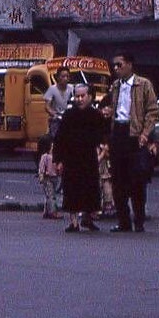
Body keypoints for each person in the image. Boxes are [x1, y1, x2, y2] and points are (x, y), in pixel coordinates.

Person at [106, 52, 158, 233]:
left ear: (129, 65)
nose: (116, 69)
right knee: (118, 180)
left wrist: (145, 134)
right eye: (114, 65)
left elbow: (152, 111)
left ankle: (139, 220)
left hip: (134, 134)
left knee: (137, 180)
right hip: (118, 133)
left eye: (119, 65)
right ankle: (123, 221)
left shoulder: (143, 84)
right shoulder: (115, 86)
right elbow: (113, 108)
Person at [52, 84, 105, 232]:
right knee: (71, 189)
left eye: (83, 96)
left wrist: (102, 150)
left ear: (90, 96)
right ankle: (74, 221)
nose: (80, 99)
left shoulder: (96, 115)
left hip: (89, 157)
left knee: (91, 188)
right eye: (77, 96)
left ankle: (88, 218)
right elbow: (59, 139)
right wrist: (58, 160)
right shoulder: (69, 115)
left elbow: (102, 136)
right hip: (71, 158)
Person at [36, 136, 62, 220]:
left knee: (49, 195)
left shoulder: (55, 156)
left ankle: (46, 211)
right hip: (47, 178)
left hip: (54, 177)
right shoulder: (45, 156)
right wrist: (41, 176)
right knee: (51, 196)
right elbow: (41, 168)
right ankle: (53, 212)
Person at [42, 67, 72, 138]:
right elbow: (47, 106)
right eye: (63, 76)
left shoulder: (72, 88)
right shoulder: (52, 89)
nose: (65, 78)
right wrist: (54, 114)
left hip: (68, 119)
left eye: (67, 76)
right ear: (58, 77)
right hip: (56, 119)